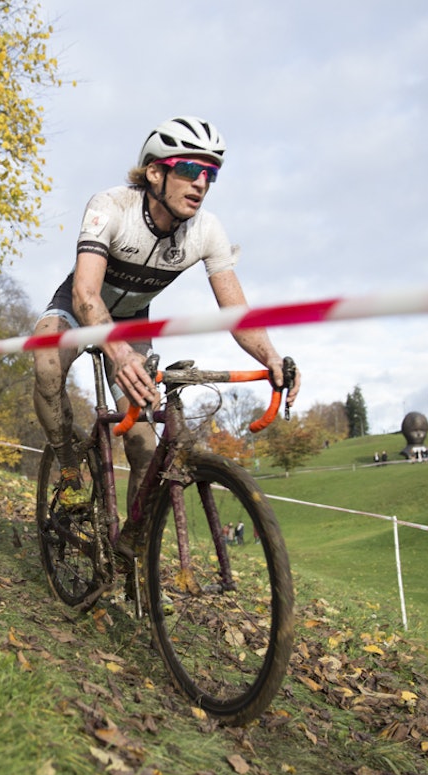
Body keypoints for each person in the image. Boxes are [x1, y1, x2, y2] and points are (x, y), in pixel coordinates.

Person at [32, 116, 300, 524]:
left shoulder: (206, 230)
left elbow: (237, 313)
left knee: (143, 444)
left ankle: (134, 554)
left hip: (133, 322)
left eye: (210, 174)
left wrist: (272, 357)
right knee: (47, 364)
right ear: (155, 172)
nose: (201, 184)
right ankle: (69, 469)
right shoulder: (111, 206)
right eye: (190, 170)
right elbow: (87, 294)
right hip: (78, 307)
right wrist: (118, 355)